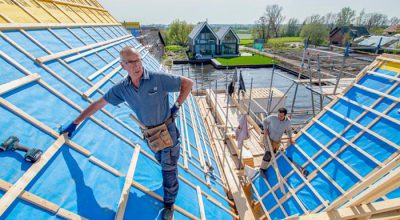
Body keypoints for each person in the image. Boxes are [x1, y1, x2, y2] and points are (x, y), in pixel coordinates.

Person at [60, 46, 193, 220]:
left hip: (167, 131)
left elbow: (188, 83)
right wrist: (75, 123)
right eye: (130, 62)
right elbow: (99, 104)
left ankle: (169, 203)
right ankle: (170, 181)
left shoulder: (157, 79)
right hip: (150, 135)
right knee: (162, 161)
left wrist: (176, 105)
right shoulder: (122, 89)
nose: (136, 65)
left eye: (138, 60)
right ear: (123, 66)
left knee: (168, 167)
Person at [260, 107, 295, 174]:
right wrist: (265, 129)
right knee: (268, 153)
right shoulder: (272, 117)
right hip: (268, 138)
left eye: (281, 116)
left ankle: (269, 163)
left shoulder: (288, 122)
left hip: (276, 141)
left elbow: (289, 130)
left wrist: (291, 139)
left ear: (285, 115)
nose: (279, 117)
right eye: (278, 115)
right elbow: (264, 121)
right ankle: (262, 169)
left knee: (273, 153)